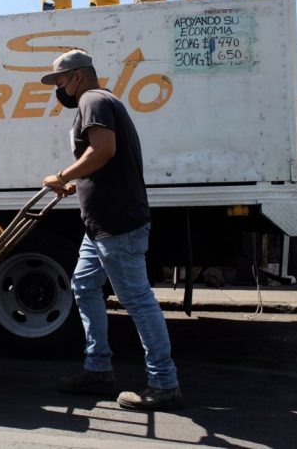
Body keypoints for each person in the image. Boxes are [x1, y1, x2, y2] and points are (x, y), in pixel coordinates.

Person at [40, 49, 181, 410]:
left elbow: (102, 150)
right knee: (84, 285)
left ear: (77, 77)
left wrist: (61, 175)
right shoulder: (100, 100)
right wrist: (76, 184)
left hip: (116, 222)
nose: (58, 89)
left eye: (59, 81)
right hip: (100, 223)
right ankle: (98, 369)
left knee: (137, 300)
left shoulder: (92, 99)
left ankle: (164, 383)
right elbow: (105, 162)